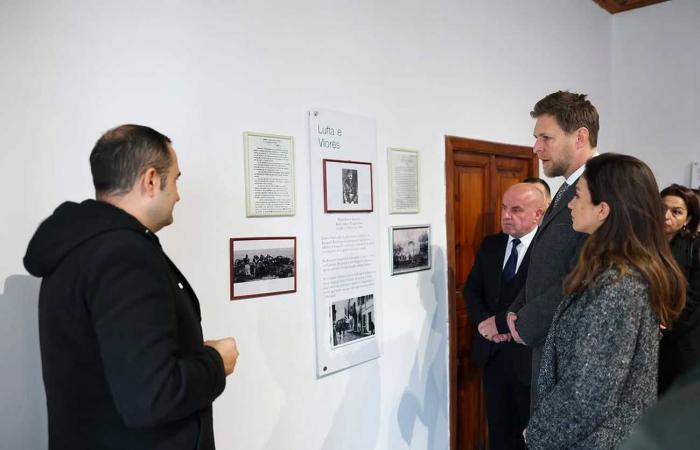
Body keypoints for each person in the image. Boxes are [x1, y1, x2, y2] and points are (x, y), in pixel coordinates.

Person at [23, 124, 239, 450]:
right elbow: (151, 397)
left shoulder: (79, 248)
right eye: (176, 180)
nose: (178, 195)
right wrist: (214, 363)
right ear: (151, 180)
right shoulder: (125, 256)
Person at [525, 153, 686, 449]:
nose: (571, 204)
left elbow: (590, 395)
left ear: (603, 210)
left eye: (578, 196)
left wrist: (537, 433)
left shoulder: (618, 286)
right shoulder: (609, 273)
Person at [507, 91, 598, 409]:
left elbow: (584, 274)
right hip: (549, 345)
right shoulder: (566, 188)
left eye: (546, 137)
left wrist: (526, 322)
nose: (536, 148)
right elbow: (543, 264)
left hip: (570, 352)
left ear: (580, 137)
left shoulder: (599, 191)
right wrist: (515, 308)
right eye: (536, 138)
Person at [463, 183, 545, 450]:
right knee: (498, 431)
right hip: (493, 356)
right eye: (504, 208)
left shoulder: (547, 253)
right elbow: (472, 290)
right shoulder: (492, 245)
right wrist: (487, 325)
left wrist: (505, 325)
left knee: (530, 435)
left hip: (529, 360)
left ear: (538, 215)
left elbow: (539, 301)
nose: (507, 215)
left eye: (517, 210)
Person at [658, 183, 700, 394]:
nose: (667, 216)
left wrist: (669, 322)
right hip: (651, 336)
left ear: (688, 219)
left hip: (683, 337)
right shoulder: (647, 244)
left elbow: (695, 296)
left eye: (676, 212)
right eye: (662, 208)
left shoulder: (695, 246)